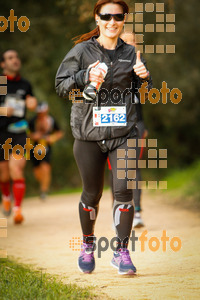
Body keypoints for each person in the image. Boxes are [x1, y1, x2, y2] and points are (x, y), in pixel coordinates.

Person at [55, 0, 152, 275]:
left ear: (123, 19)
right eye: (106, 16)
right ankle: (88, 246)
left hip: (124, 134)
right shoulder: (80, 51)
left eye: (117, 16)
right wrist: (85, 75)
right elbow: (60, 85)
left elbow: (142, 91)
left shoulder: (131, 52)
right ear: (97, 19)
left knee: (123, 191)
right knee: (92, 194)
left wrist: (145, 78)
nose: (112, 21)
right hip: (88, 134)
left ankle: (121, 252)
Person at [108, 31, 149, 228]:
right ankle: (116, 210)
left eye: (133, 41)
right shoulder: (106, 61)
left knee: (133, 167)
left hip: (135, 123)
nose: (129, 44)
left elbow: (145, 94)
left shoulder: (141, 64)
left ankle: (138, 211)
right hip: (111, 121)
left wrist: (144, 76)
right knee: (113, 169)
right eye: (125, 41)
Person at [0, 49, 37, 224]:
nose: (15, 60)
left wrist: (33, 104)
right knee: (4, 174)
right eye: (10, 58)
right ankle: (6, 196)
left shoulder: (25, 84)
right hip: (1, 133)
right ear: (3, 64)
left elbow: (32, 103)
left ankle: (18, 210)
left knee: (16, 168)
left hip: (20, 132)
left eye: (16, 56)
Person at [28, 102, 63, 200]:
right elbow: (26, 132)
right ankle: (43, 185)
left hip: (46, 147)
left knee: (46, 168)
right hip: (34, 147)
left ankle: (44, 191)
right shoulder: (32, 121)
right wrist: (33, 136)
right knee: (37, 172)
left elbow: (60, 132)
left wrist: (52, 138)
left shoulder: (51, 120)